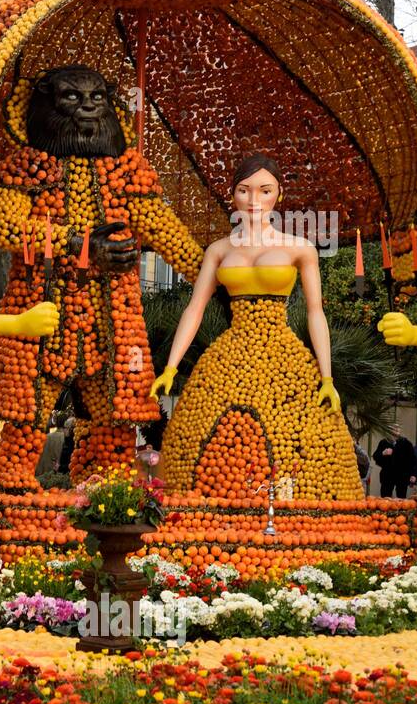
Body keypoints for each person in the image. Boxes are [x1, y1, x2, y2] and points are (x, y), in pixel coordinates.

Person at [148, 153, 363, 500]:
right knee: (202, 435)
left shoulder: (299, 248)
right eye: (245, 191)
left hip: (285, 356)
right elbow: (195, 308)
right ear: (232, 195)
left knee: (293, 440)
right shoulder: (219, 250)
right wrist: (170, 368)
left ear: (279, 194)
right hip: (229, 356)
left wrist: (326, 377)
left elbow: (315, 313)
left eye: (264, 191)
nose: (254, 200)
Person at [372, 425, 417, 498]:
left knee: (401, 498)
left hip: (402, 476)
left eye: (397, 430)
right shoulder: (384, 442)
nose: (395, 432)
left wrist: (414, 474)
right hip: (387, 475)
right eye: (393, 430)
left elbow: (413, 461)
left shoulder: (406, 444)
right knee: (385, 498)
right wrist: (383, 453)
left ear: (400, 432)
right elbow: (375, 456)